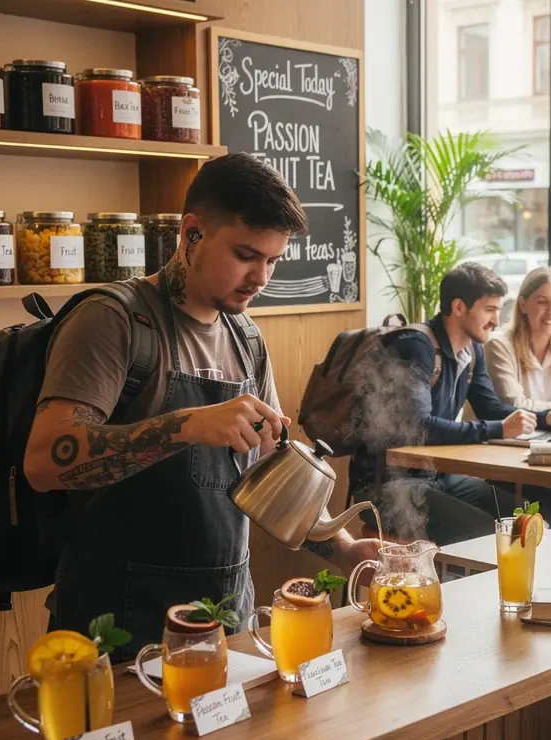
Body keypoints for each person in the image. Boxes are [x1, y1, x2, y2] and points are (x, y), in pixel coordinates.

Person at [24, 154, 380, 658]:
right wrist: (186, 425)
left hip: (228, 617)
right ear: (191, 233)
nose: (261, 277)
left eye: (273, 260)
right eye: (245, 254)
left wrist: (344, 548)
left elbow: (271, 474)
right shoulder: (112, 321)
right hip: (122, 625)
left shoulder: (246, 338)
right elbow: (44, 462)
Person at [349, 262, 551, 545]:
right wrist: (497, 429)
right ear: (459, 307)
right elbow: (420, 428)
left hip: (438, 476)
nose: (496, 319)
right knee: (494, 535)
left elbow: (491, 409)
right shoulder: (415, 347)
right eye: (490, 310)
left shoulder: (472, 351)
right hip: (387, 486)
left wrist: (545, 418)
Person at [484, 266, 551, 414]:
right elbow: (514, 405)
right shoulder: (498, 346)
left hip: (544, 436)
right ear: (523, 305)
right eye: (542, 302)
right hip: (499, 437)